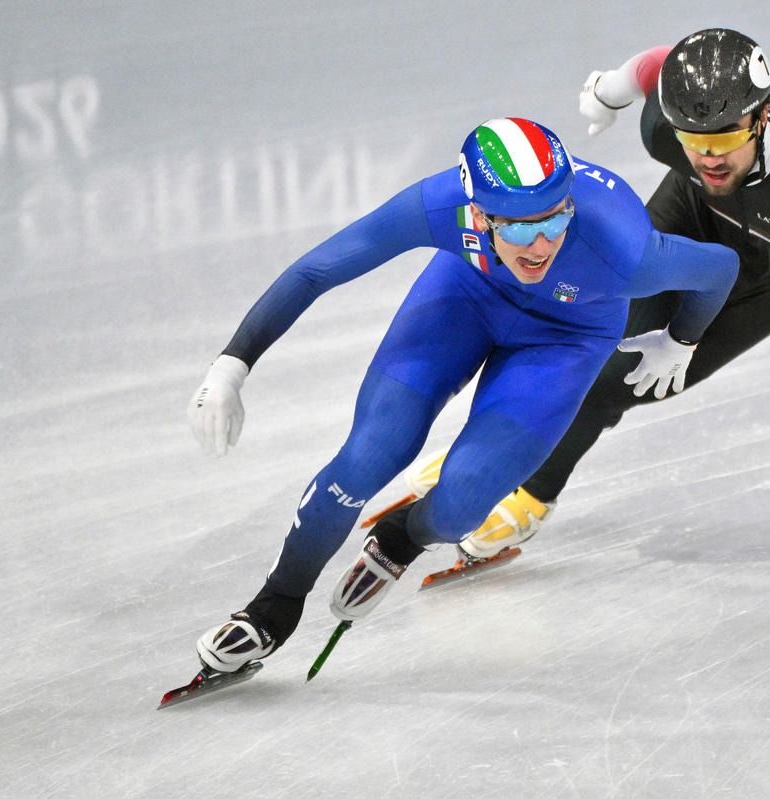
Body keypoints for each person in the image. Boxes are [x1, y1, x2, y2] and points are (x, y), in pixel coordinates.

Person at [185, 117, 738, 673]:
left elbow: (720, 268)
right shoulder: (440, 204)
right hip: (466, 295)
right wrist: (232, 366)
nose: (540, 245)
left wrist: (681, 341)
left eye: (554, 220)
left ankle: (402, 538)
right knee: (368, 455)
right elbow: (317, 271)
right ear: (477, 215)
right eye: (518, 230)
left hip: (567, 337)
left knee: (460, 508)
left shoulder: (623, 248)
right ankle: (275, 605)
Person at [417, 28, 770, 565]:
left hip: (768, 280)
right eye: (694, 142)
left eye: (723, 142)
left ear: (762, 116)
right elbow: (654, 64)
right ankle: (499, 448)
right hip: (688, 219)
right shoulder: (663, 132)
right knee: (572, 327)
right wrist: (607, 91)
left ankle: (533, 496)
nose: (708, 159)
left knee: (620, 380)